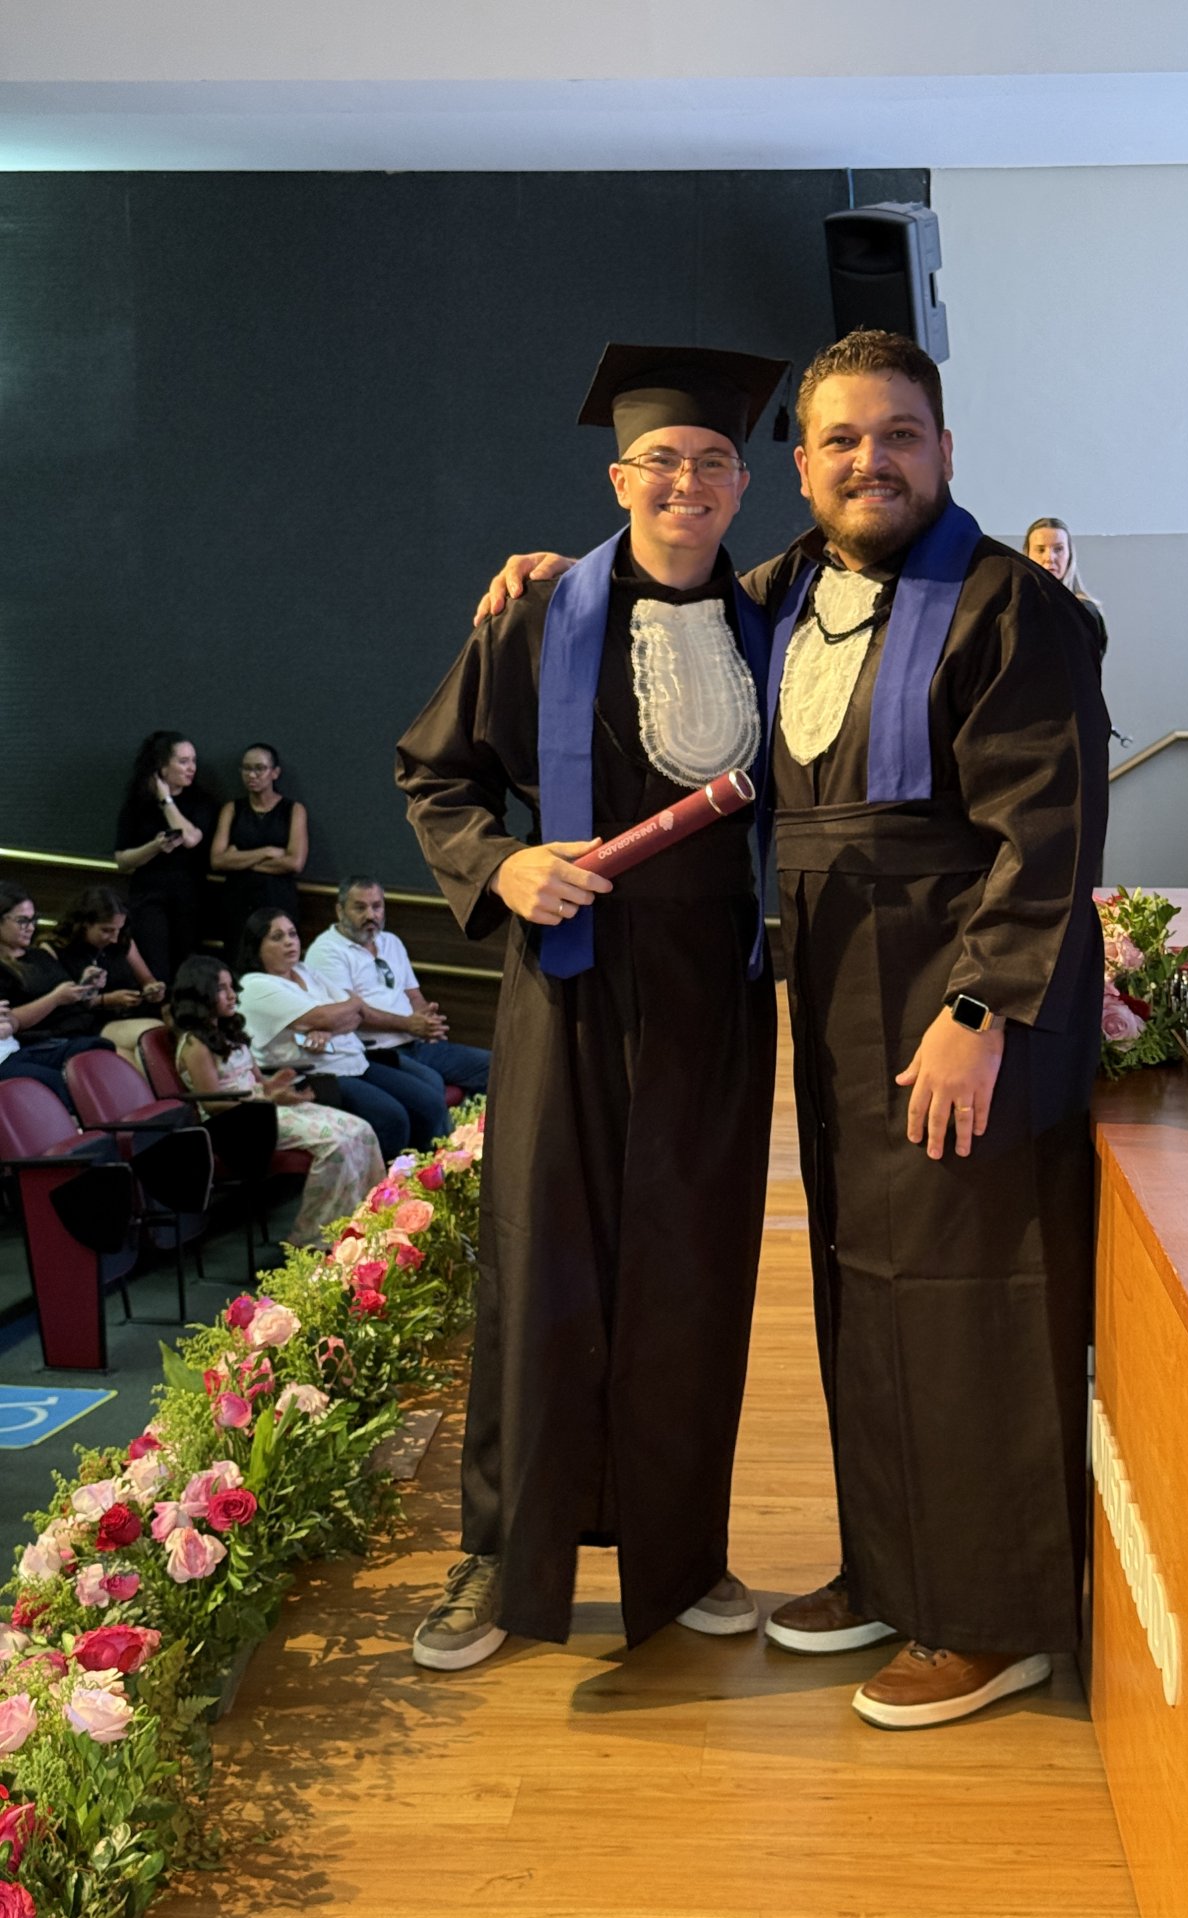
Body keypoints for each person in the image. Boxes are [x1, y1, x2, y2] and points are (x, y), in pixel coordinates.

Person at [482, 331, 1110, 1729]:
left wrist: (978, 1009)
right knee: (866, 1284)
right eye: (841, 440)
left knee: (968, 1293)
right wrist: (562, 582)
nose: (870, 460)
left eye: (899, 435)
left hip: (956, 989)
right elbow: (664, 601)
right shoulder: (787, 593)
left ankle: (992, 1618)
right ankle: (892, 1568)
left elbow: (1053, 830)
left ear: (946, 451)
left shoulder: (1011, 605)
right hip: (833, 991)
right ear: (805, 468)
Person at [395, 342, 783, 1671]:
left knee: (694, 1272)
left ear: (744, 485)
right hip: (569, 976)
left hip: (715, 991)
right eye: (661, 460)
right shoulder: (538, 617)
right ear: (620, 478)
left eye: (714, 461)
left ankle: (683, 1557)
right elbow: (436, 774)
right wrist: (502, 863)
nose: (688, 481)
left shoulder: (777, 621)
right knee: (542, 1266)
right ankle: (502, 1554)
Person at [171, 955, 385, 1245]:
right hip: (237, 1123)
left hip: (262, 1108)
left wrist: (278, 1086)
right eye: (222, 989)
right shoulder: (195, 1044)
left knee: (361, 1129)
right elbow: (211, 1103)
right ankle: (314, 1239)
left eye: (231, 986)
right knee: (335, 1143)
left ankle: (365, 1222)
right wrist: (266, 1100)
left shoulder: (229, 1033)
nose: (232, 995)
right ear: (200, 993)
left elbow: (260, 1084)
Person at [234, 907, 451, 1159]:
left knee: (430, 1104)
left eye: (292, 934)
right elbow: (330, 1014)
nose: (289, 942)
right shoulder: (255, 986)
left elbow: (356, 1013)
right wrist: (339, 1013)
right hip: (314, 1073)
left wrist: (328, 1026)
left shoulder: (305, 971)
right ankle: (387, 1181)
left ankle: (425, 1172)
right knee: (392, 1117)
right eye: (277, 937)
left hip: (354, 1060)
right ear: (256, 947)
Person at [303, 876, 490, 1099]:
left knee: (495, 1066)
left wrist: (426, 1020)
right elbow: (351, 1014)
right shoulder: (327, 951)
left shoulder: (391, 941)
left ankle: (478, 1122)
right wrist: (408, 1024)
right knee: (431, 1085)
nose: (371, 915)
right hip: (377, 1051)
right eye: (360, 908)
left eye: (376, 907)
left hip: (417, 1042)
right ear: (340, 910)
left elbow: (413, 995)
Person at [0, 882, 112, 1111]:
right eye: (22, 921)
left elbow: (66, 992)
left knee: (100, 1050)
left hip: (72, 1029)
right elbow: (12, 1021)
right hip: (39, 1039)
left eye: (33, 920)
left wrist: (85, 986)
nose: (30, 927)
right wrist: (55, 999)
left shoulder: (39, 955)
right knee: (63, 1083)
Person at [112, 732, 216, 981]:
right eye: (183, 761)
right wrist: (155, 846)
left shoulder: (201, 801)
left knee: (186, 968)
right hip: (148, 896)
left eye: (193, 761)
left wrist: (166, 799)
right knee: (155, 968)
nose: (191, 768)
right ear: (162, 766)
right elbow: (122, 860)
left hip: (189, 895)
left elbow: (190, 838)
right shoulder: (137, 803)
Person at [43, 884, 166, 1059]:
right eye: (106, 930)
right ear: (85, 924)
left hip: (131, 1014)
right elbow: (61, 1005)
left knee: (161, 1035)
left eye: (118, 929)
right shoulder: (57, 949)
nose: (114, 938)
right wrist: (106, 1000)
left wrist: (153, 990)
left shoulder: (122, 942)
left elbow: (147, 979)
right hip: (88, 1022)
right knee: (151, 1035)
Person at [211, 742, 309, 956]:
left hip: (278, 899)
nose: (252, 775)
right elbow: (217, 860)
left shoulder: (293, 809)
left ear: (275, 773)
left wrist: (237, 859)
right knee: (238, 959)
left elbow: (294, 862)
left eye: (260, 768)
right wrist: (266, 852)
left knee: (276, 960)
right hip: (238, 901)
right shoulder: (232, 809)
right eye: (246, 768)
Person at [1024, 516, 1107, 659]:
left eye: (1058, 549)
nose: (1049, 558)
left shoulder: (1085, 612)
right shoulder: (1012, 608)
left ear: (1070, 554)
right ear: (1027, 554)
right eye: (1040, 549)